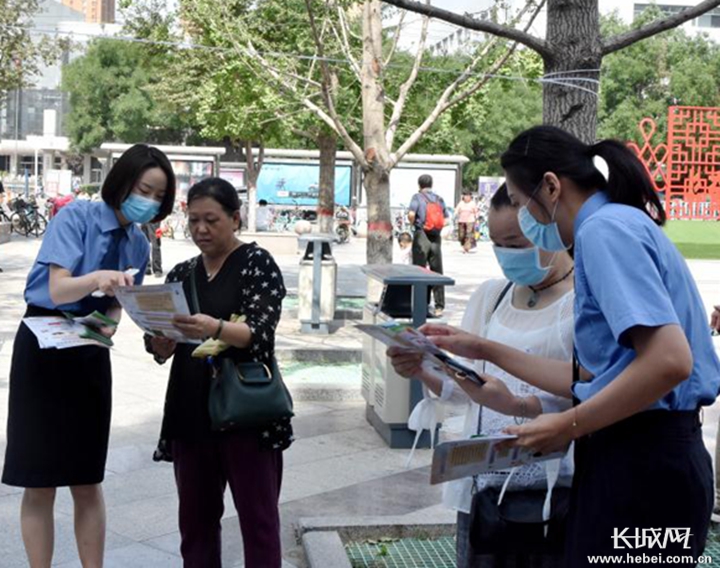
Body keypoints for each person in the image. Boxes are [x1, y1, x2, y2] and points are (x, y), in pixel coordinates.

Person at [421, 126, 719, 566]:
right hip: (640, 459)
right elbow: (594, 377)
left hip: (644, 466)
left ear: (551, 186)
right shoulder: (617, 223)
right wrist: (485, 349)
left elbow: (670, 361)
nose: (524, 218)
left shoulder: (603, 231)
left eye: (520, 203)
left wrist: (568, 425)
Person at [2, 144, 176, 567]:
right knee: (39, 481)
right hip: (42, 344)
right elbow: (58, 289)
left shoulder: (138, 243)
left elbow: (117, 305)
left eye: (158, 196)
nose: (149, 202)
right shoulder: (75, 217)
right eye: (144, 190)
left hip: (89, 349)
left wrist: (111, 326)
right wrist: (97, 278)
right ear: (122, 183)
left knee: (86, 478)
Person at [389, 184, 574, 567]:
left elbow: (592, 391)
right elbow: (469, 390)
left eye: (516, 243)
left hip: (555, 491)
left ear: (551, 231)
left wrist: (520, 404)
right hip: (484, 490)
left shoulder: (583, 302)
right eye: (497, 243)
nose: (507, 254)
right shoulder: (492, 296)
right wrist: (422, 370)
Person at [145, 177, 292, 568]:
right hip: (189, 409)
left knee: (259, 523)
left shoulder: (256, 263)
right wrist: (161, 343)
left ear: (235, 218)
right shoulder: (181, 273)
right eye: (194, 220)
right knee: (195, 525)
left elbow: (260, 334)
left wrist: (215, 327)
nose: (201, 229)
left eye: (211, 220)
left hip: (246, 411)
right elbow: (161, 342)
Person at [408, 174, 450, 317]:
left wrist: (413, 224)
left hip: (422, 235)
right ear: (431, 184)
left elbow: (411, 214)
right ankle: (439, 306)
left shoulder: (417, 197)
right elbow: (447, 219)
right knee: (437, 270)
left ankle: (422, 303)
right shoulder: (439, 199)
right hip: (436, 237)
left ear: (419, 185)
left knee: (419, 270)